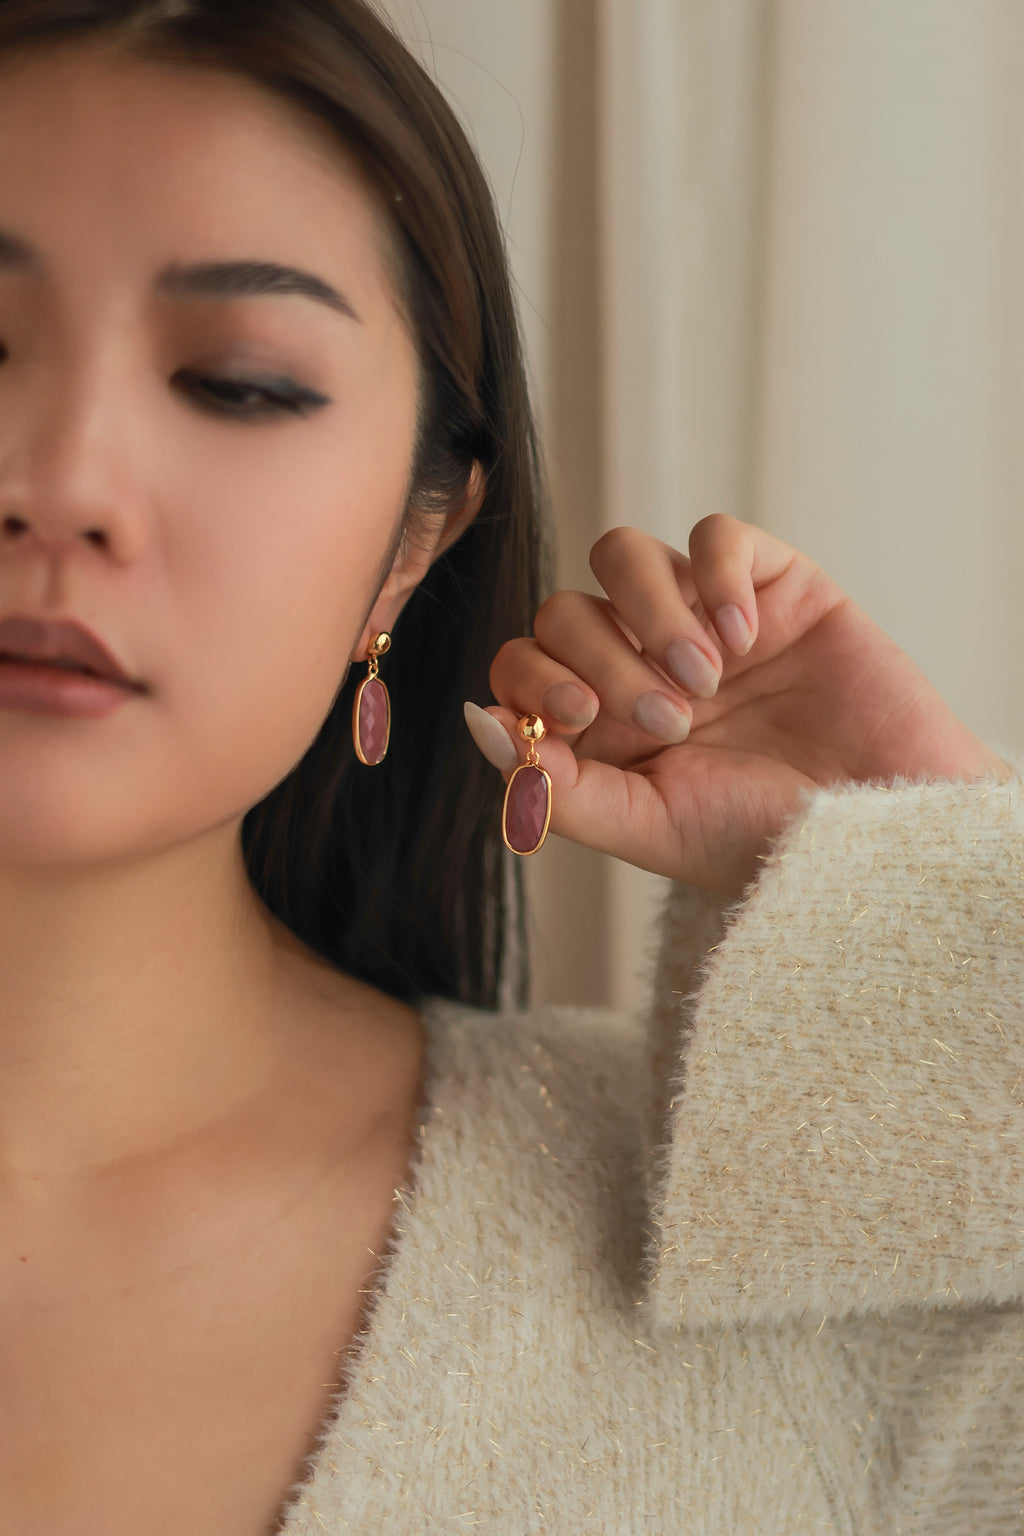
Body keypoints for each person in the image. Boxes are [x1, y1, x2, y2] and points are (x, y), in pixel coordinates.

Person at [0, 2, 1020, 1532]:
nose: (61, 483)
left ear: (416, 544)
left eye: (242, 382)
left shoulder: (774, 1290)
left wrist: (945, 908)